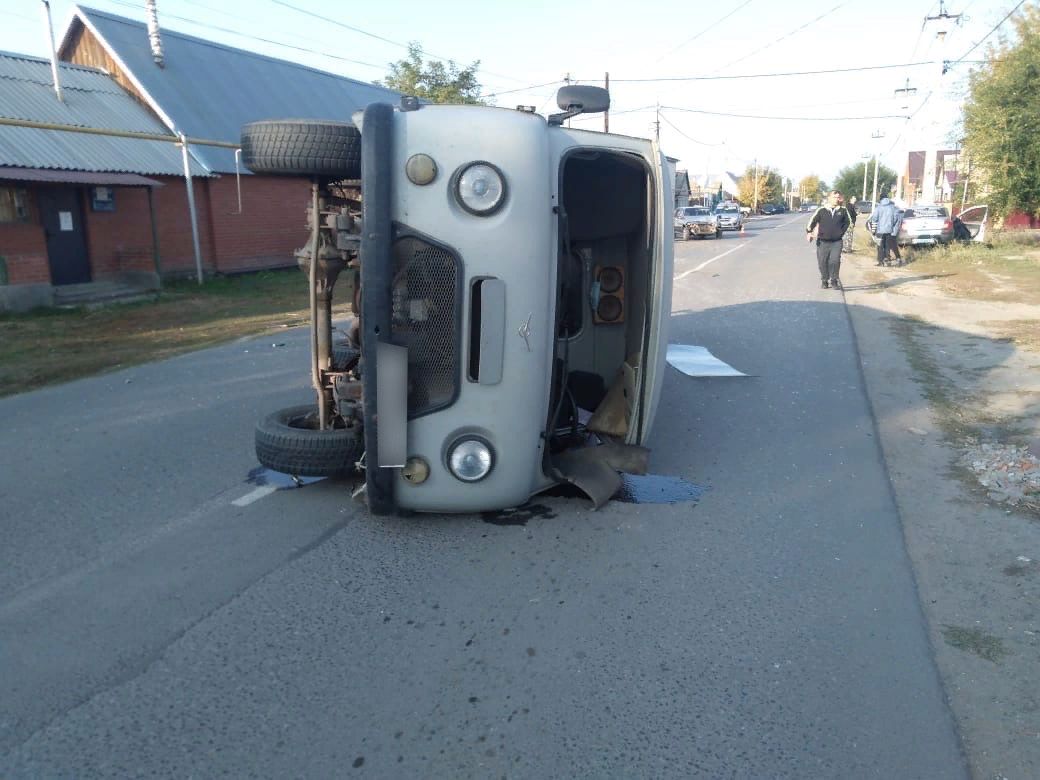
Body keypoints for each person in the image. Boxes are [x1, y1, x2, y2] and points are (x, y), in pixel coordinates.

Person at [806, 190, 851, 290]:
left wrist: (841, 232)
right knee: (822, 261)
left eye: (838, 197)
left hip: (837, 241)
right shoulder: (821, 210)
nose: (837, 199)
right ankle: (824, 280)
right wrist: (809, 232)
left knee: (834, 261)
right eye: (835, 197)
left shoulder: (843, 210)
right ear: (829, 198)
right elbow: (812, 221)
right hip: (822, 241)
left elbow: (848, 222)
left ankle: (834, 280)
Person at [870, 195, 903, 266]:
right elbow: (895, 218)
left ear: (881, 199)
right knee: (888, 245)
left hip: (880, 230)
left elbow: (874, 218)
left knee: (880, 245)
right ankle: (888, 260)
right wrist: (891, 225)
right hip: (889, 229)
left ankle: (880, 261)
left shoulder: (878, 207)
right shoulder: (892, 207)